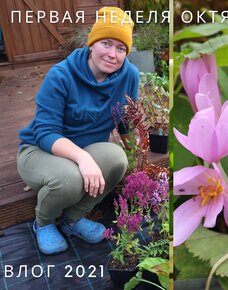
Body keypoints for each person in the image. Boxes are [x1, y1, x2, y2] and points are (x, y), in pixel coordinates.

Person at [17, 7, 139, 255]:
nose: (113, 54)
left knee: (117, 160)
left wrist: (136, 155)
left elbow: (124, 122)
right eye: (106, 43)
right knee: (69, 178)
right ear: (91, 43)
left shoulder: (129, 75)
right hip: (41, 151)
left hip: (86, 149)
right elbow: (45, 132)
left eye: (121, 48)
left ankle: (72, 220)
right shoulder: (61, 75)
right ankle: (44, 222)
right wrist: (83, 159)